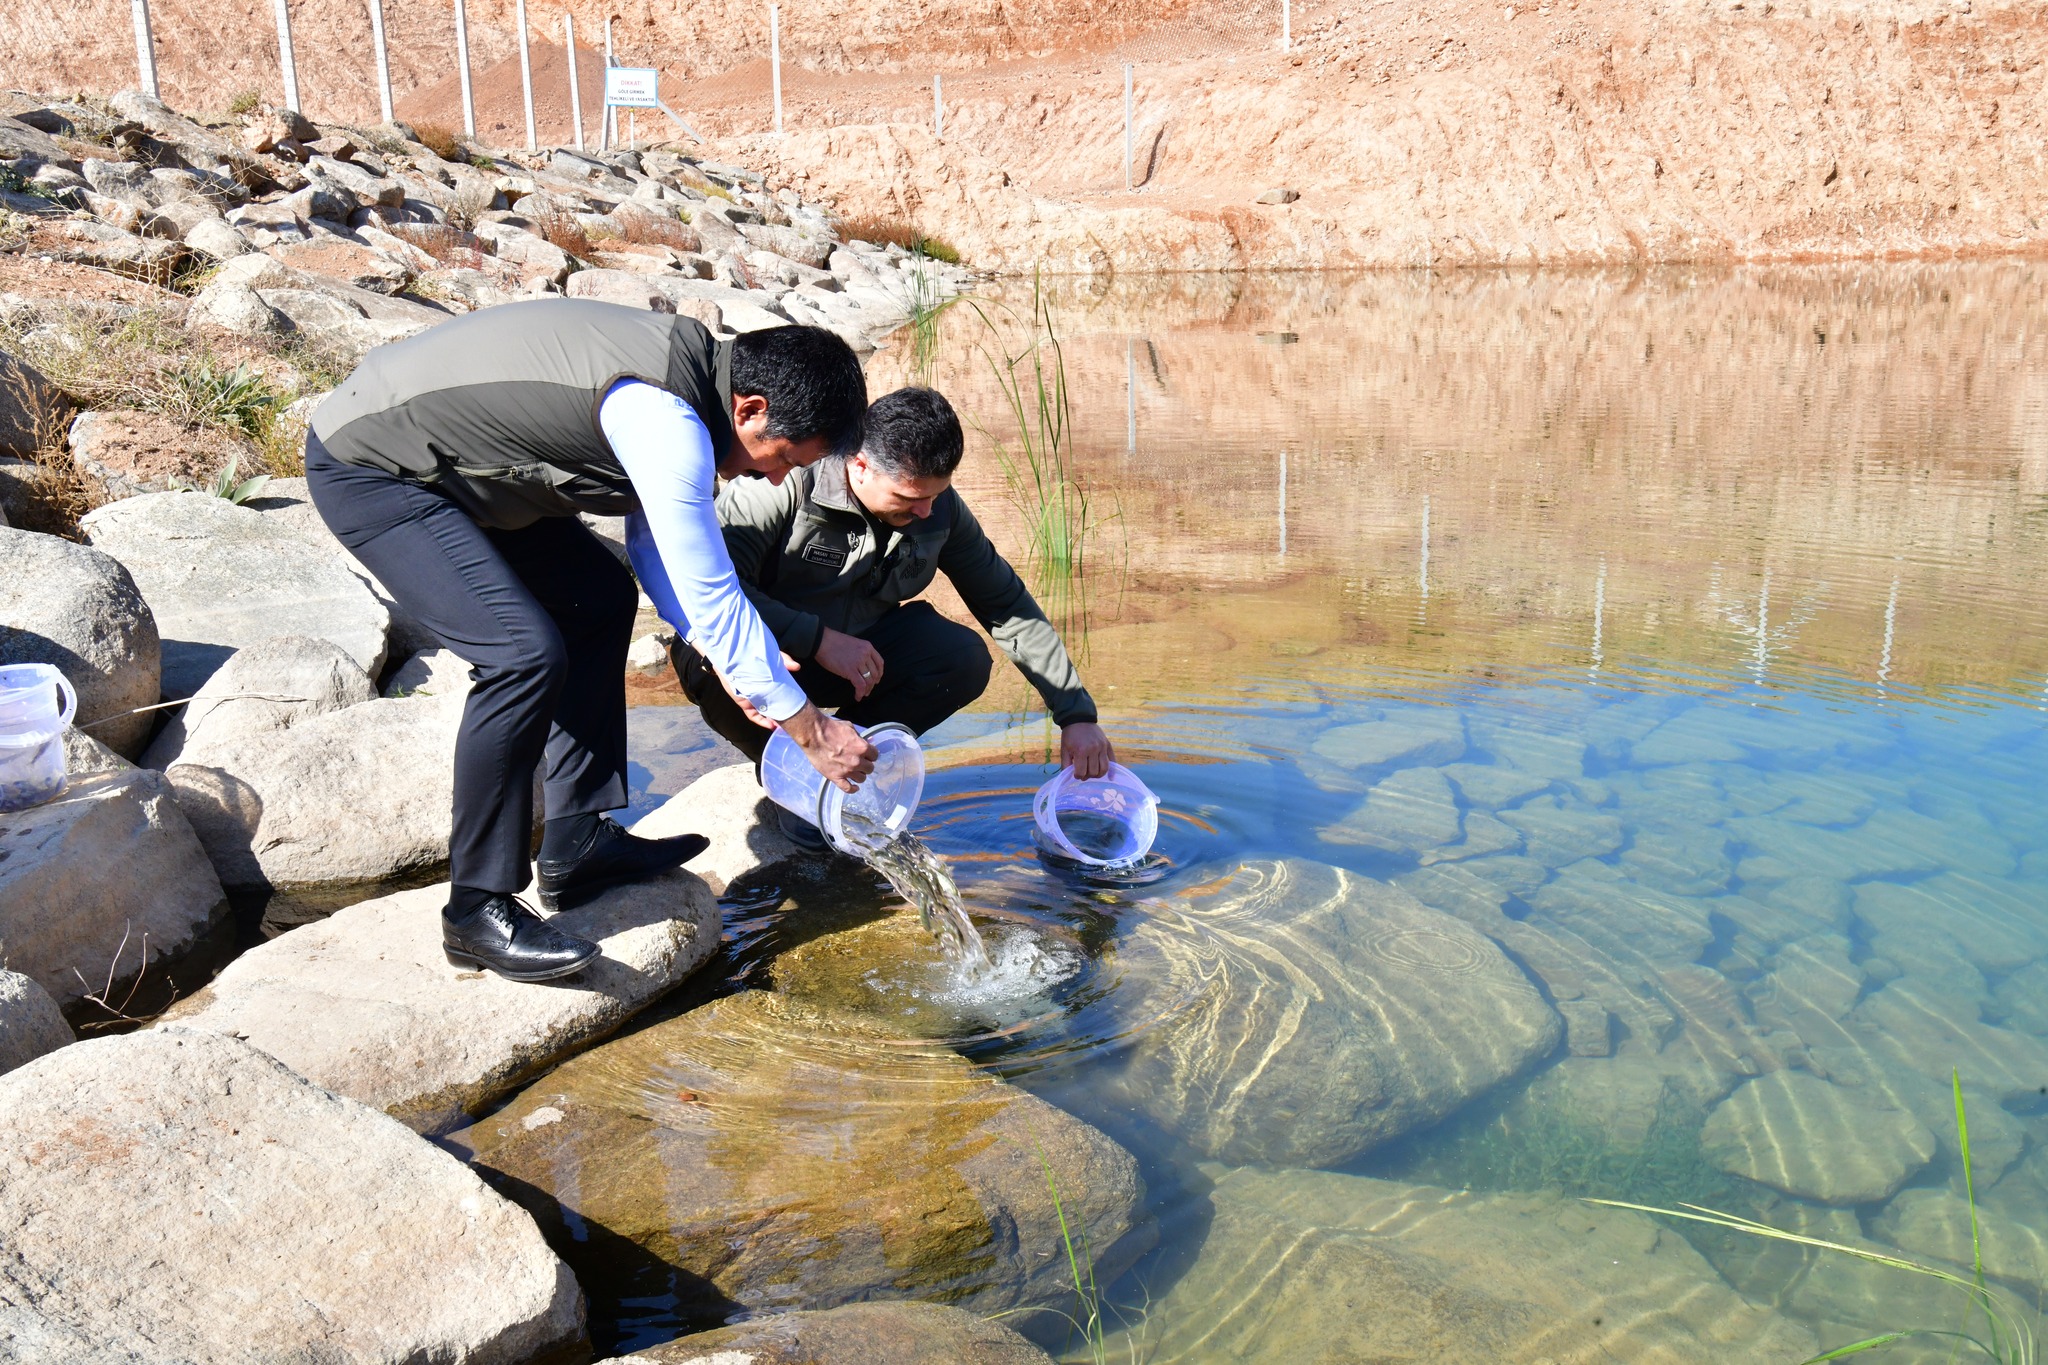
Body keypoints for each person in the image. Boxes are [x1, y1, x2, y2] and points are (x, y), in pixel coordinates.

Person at [306, 300, 878, 982]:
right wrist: (810, 730)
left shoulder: (690, 385)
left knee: (600, 597)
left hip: (463, 469)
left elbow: (653, 544)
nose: (777, 478)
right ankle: (474, 910)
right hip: (377, 469)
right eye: (784, 459)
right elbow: (710, 584)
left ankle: (575, 845)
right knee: (521, 656)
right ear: (750, 408)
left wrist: (723, 654)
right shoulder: (667, 419)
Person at [663, 385, 1114, 846]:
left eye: (936, 496)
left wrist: (1075, 715)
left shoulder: (936, 509)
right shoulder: (784, 484)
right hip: (762, 665)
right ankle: (796, 768)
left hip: (856, 663)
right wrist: (815, 638)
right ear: (859, 464)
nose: (925, 512)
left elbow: (1006, 604)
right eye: (908, 497)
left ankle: (853, 765)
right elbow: (702, 590)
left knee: (959, 657)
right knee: (704, 654)